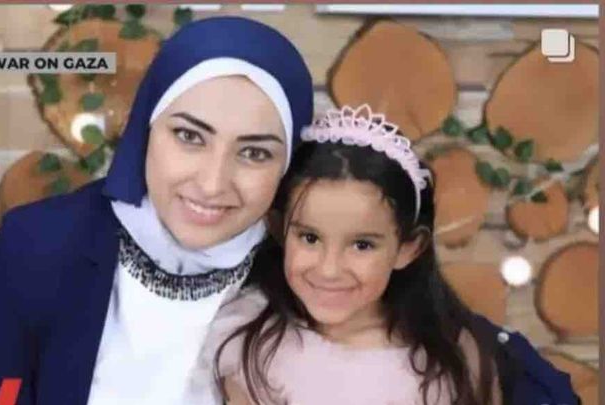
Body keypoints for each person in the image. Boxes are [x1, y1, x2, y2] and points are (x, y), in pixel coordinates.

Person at [0, 16, 313, 405]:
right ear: (146, 128)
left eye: (254, 153)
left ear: (289, 166)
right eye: (189, 136)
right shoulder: (38, 245)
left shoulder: (312, 274)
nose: (212, 184)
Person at [203, 105, 580, 405]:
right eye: (310, 238)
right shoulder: (251, 343)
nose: (329, 269)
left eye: (362, 245)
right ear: (279, 229)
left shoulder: (453, 361)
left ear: (408, 248)